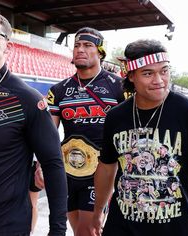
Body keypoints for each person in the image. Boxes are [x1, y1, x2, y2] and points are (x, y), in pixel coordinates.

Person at [0, 10, 67, 236]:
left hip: (5, 226)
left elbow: (53, 165)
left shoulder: (27, 99)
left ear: (7, 47)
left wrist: (57, 231)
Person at [91, 39, 188, 236]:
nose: (159, 80)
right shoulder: (116, 117)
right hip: (122, 226)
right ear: (131, 75)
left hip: (175, 227)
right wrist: (98, 211)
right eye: (148, 73)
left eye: (164, 71)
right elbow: (106, 167)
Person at [46, 27, 125, 236]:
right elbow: (49, 133)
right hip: (67, 171)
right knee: (77, 230)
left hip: (102, 171)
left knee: (87, 230)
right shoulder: (58, 90)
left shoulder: (118, 86)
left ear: (100, 51)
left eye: (88, 45)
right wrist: (41, 164)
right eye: (77, 45)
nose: (80, 49)